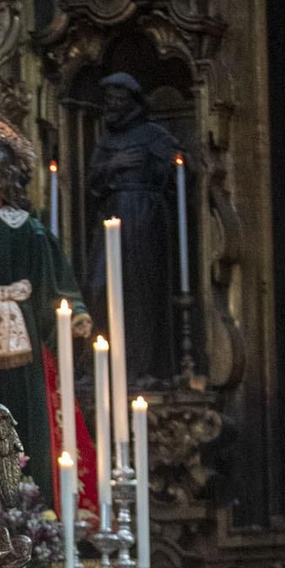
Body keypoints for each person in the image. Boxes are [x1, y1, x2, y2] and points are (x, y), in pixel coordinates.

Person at [0, 113, 88, 499]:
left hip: (24, 339)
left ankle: (33, 503)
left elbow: (54, 282)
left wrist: (75, 314)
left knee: (29, 417)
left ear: (4, 179)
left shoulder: (29, 229)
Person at [85, 72, 184, 387]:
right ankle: (100, 362)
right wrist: (115, 165)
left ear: (132, 102)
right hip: (111, 215)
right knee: (100, 288)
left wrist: (167, 166)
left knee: (141, 291)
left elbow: (179, 170)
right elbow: (91, 183)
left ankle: (144, 368)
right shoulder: (107, 142)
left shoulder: (153, 135)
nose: (112, 105)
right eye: (109, 100)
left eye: (118, 99)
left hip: (144, 216)